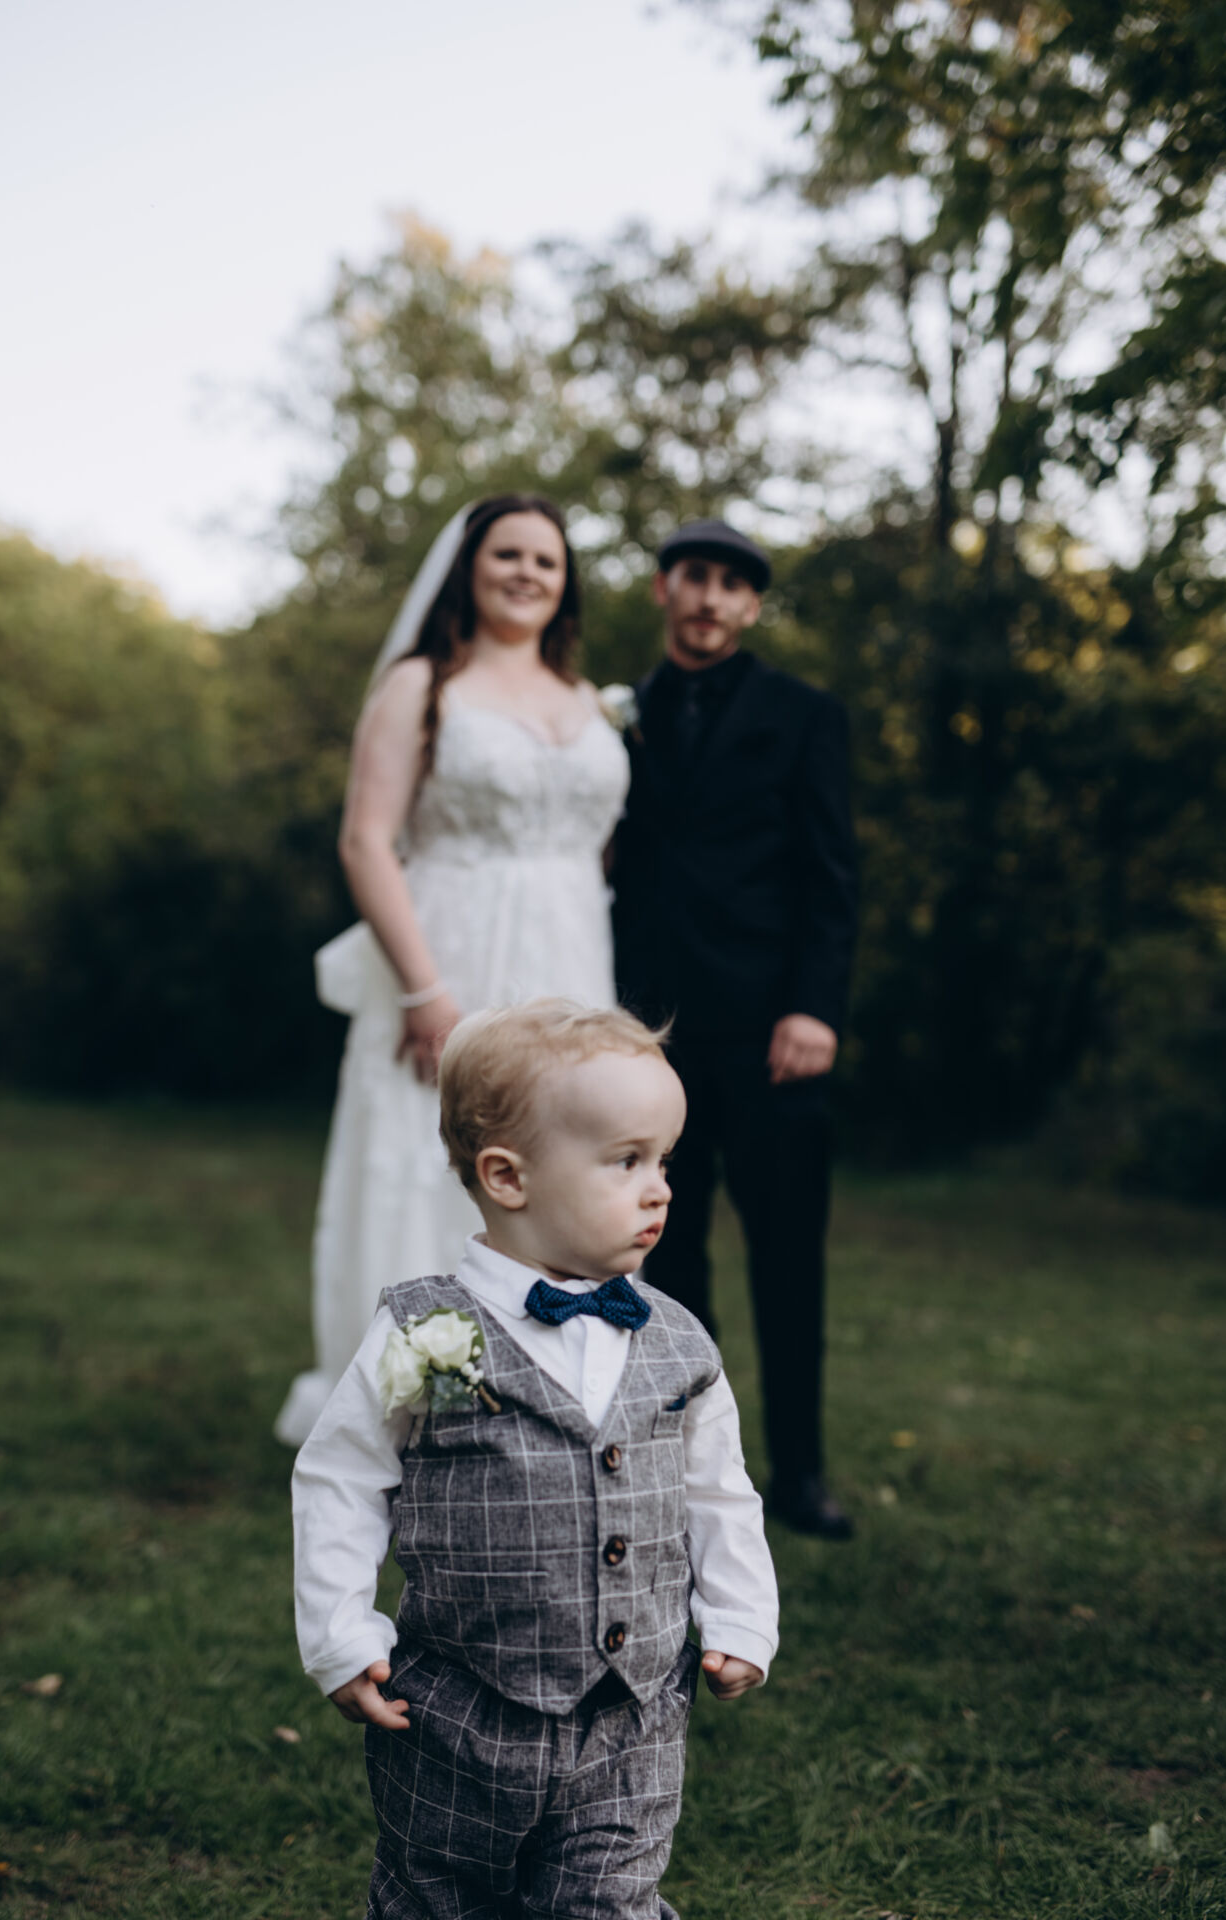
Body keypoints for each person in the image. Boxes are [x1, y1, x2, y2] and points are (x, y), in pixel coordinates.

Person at [292, 998, 778, 1920]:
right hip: (458, 1717)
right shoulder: (428, 1332)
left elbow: (719, 1492)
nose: (660, 1189)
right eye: (626, 1161)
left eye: (665, 1160)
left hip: (632, 1718)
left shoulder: (678, 1340)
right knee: (438, 1899)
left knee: (607, 1901)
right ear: (508, 1177)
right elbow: (343, 1479)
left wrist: (742, 1617)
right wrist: (342, 1635)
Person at [275, 498, 629, 1446]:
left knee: (561, 1156)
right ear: (469, 568)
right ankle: (421, 1399)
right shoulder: (423, 684)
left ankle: (549, 1393)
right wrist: (424, 993)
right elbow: (365, 840)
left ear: (566, 582)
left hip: (570, 957)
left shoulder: (586, 700)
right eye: (507, 554)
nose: (526, 573)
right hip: (451, 950)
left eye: (546, 560)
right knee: (430, 1156)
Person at [611, 519, 859, 1539]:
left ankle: (799, 1475)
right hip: (648, 1036)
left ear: (750, 606)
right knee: (663, 1261)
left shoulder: (804, 715)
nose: (710, 597)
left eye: (731, 584)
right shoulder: (617, 716)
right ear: (665, 589)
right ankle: (686, 1469)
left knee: (786, 1260)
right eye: (694, 577)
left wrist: (814, 1006)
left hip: (770, 1034)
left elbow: (831, 874)